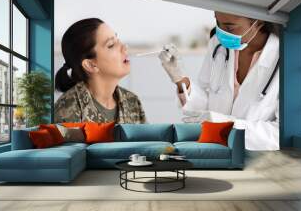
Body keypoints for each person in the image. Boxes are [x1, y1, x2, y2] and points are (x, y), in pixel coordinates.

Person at [159, 12, 280, 150]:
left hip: (254, 158)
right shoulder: (217, 44)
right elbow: (205, 103)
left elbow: (279, 134)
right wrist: (181, 79)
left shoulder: (284, 55)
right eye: (218, 23)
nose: (221, 32)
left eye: (229, 28)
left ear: (258, 23)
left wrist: (226, 126)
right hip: (213, 149)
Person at [54, 18, 146, 124]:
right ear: (91, 65)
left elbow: (148, 140)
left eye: (117, 39)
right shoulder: (66, 111)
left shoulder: (133, 101)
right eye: (111, 45)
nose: (125, 47)